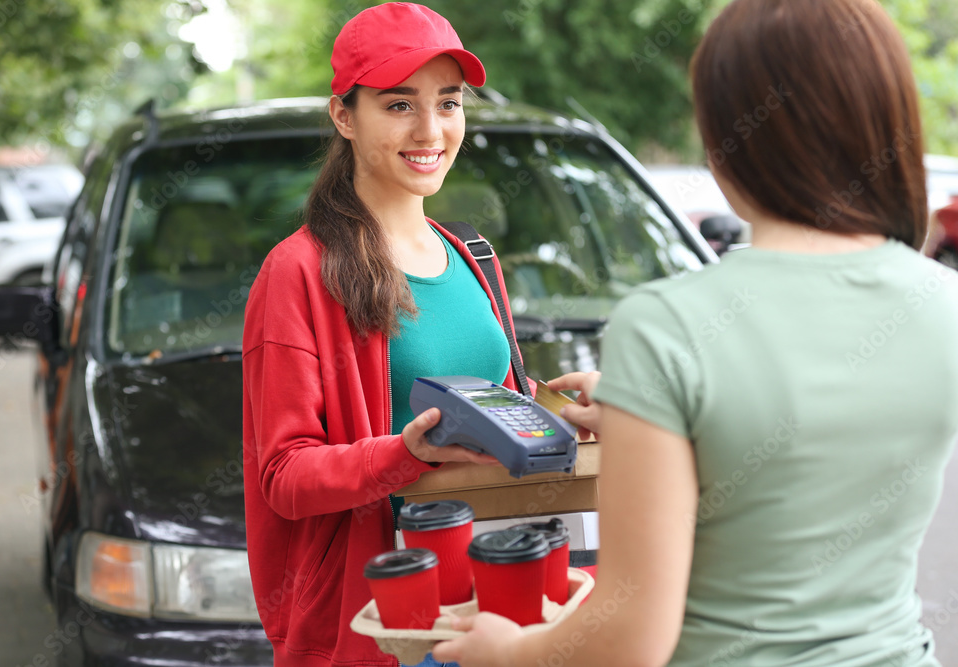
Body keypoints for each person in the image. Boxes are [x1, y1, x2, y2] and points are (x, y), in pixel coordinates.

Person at [433, 0, 958, 665]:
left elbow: (631, 638)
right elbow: (818, 441)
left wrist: (509, 649)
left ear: (727, 137)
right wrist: (654, 419)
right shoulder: (943, 303)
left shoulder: (667, 326)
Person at [242, 4, 534, 666]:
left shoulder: (471, 256)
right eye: (399, 105)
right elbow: (283, 474)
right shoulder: (299, 272)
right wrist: (407, 452)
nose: (431, 129)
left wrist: (566, 413)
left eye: (449, 103)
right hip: (385, 627)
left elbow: (495, 410)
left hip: (491, 611)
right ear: (345, 116)